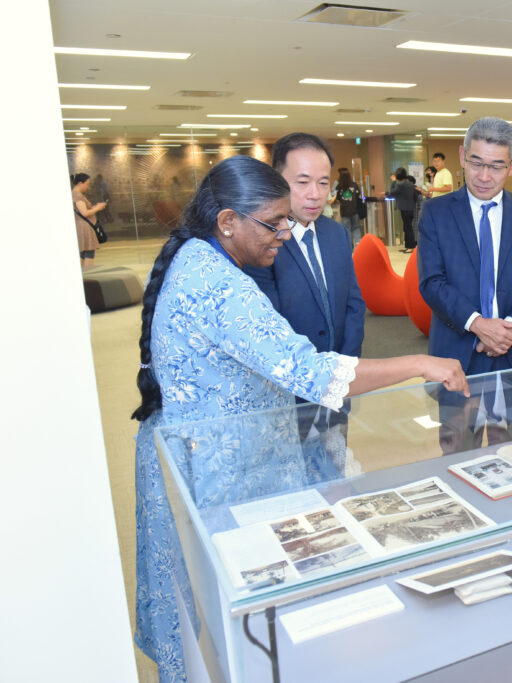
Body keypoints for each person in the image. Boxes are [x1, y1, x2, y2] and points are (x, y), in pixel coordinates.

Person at [131, 155, 467, 683]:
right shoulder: (220, 285)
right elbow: (310, 372)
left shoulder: (203, 260)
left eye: (288, 219)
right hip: (219, 472)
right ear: (227, 222)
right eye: (274, 222)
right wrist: (419, 362)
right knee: (229, 619)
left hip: (218, 456)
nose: (286, 233)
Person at [418, 117, 512, 449]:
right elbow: (432, 282)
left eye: (496, 166)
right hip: (458, 355)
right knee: (456, 452)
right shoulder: (436, 212)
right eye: (476, 163)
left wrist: (506, 331)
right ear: (463, 156)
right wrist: (479, 325)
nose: (483, 176)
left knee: (511, 454)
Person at [244, 133, 366, 361]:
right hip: (290, 379)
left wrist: (346, 363)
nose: (316, 195)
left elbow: (353, 303)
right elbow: (268, 321)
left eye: (323, 183)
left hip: (340, 376)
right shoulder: (262, 240)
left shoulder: (336, 233)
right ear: (277, 181)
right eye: (302, 182)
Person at [71, 172, 107, 269]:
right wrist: (98, 208)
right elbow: (84, 213)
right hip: (84, 227)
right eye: (87, 184)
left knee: (83, 253)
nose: (88, 186)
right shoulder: (77, 195)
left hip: (82, 226)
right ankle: (88, 275)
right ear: (80, 183)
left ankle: (85, 275)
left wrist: (95, 207)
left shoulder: (75, 195)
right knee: (88, 252)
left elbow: (83, 210)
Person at [388, 167, 418, 252]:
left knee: (407, 228)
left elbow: (391, 193)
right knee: (407, 227)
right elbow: (415, 197)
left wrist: (393, 182)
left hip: (404, 208)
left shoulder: (400, 185)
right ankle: (408, 246)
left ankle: (411, 247)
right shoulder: (411, 184)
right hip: (411, 208)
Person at [334, 167, 363, 245]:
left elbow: (337, 199)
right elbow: (358, 195)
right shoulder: (354, 185)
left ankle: (349, 248)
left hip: (345, 212)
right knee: (356, 229)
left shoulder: (339, 187)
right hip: (355, 211)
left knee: (347, 230)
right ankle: (358, 248)